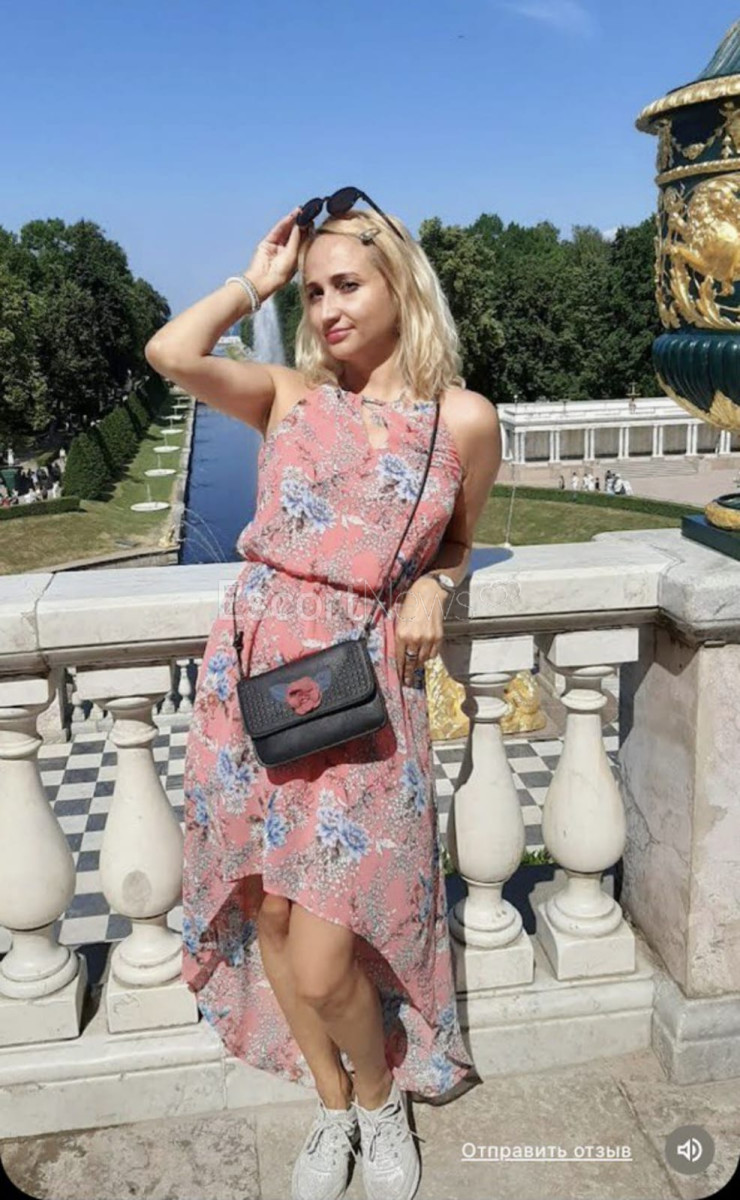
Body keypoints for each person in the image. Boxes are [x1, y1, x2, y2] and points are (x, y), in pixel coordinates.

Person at [145, 192, 500, 1200]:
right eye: (313, 293)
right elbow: (170, 353)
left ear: (400, 285)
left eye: (347, 284)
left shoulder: (460, 420)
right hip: (252, 679)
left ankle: (379, 1101)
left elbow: (459, 540)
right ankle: (331, 1105)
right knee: (266, 911)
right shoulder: (290, 396)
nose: (328, 307)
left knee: (322, 954)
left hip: (361, 696)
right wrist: (250, 285)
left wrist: (434, 585)